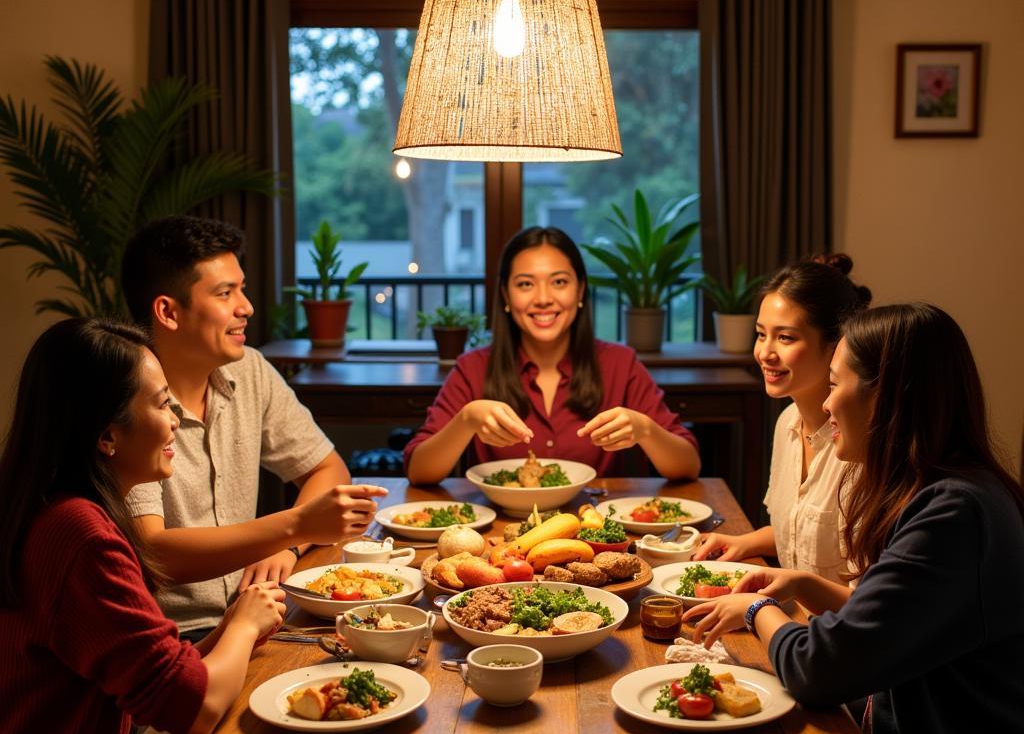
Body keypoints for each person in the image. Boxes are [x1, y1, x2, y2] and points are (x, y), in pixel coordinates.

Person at [684, 304, 1024, 734]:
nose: (826, 406)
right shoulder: (941, 491)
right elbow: (888, 621)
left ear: (888, 396)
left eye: (836, 383)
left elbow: (823, 667)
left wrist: (760, 612)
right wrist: (803, 584)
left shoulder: (954, 516)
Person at [0, 319, 340, 734]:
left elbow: (157, 671)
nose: (176, 423)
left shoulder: (58, 509)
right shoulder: (81, 536)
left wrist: (236, 633)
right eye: (162, 405)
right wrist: (243, 624)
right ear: (107, 436)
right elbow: (193, 708)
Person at [121, 215, 386, 641]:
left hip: (258, 615)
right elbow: (154, 552)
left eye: (241, 289)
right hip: (169, 637)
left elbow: (327, 468)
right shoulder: (126, 397)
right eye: (226, 293)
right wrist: (294, 526)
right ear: (168, 312)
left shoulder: (248, 371)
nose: (246, 307)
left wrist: (288, 545)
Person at [405, 227, 700, 483]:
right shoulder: (473, 368)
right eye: (525, 284)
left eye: (559, 282)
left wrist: (646, 430)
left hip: (593, 532)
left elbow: (688, 467)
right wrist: (465, 421)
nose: (544, 299)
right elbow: (419, 471)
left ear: (581, 290)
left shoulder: (620, 364)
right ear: (506, 296)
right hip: (498, 538)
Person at [693, 255, 870, 582]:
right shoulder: (788, 421)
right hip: (790, 618)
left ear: (836, 344)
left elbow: (867, 595)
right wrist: (744, 542)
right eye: (761, 334)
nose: (765, 353)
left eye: (786, 337)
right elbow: (798, 530)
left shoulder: (860, 446)